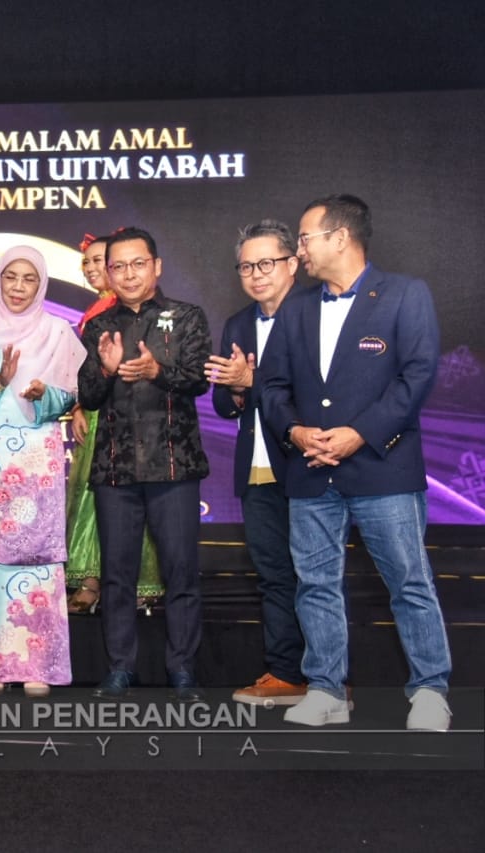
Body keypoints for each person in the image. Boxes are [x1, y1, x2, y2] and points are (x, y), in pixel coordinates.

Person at [261, 194, 452, 730]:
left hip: (383, 469)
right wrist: (295, 431)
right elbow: (271, 385)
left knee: (409, 582)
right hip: (310, 470)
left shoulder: (405, 294)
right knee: (315, 584)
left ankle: (430, 690)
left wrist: (360, 434)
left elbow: (417, 375)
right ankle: (325, 689)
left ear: (340, 237)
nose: (299, 249)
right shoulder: (296, 307)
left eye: (305, 238)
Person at [77, 227, 210, 702]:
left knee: (181, 572)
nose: (129, 274)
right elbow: (88, 395)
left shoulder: (187, 317)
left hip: (174, 466)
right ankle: (120, 668)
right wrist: (106, 369)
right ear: (108, 273)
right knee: (117, 576)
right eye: (118, 266)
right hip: (115, 471)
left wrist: (158, 371)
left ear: (156, 266)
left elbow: (198, 380)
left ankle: (182, 669)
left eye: (138, 264)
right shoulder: (97, 326)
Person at [0, 246, 84, 697]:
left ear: (42, 284)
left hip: (35, 461)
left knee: (36, 558)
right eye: (10, 276)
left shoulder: (58, 331)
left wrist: (42, 394)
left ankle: (37, 665)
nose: (18, 287)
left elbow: (71, 396)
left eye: (29, 278)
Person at [206, 219, 307, 706]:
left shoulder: (316, 314)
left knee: (315, 575)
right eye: (247, 267)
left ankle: (327, 674)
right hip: (258, 466)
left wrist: (253, 380)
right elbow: (223, 404)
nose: (256, 274)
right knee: (273, 575)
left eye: (266, 263)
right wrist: (237, 389)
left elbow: (319, 390)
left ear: (293, 264)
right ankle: (286, 672)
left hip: (309, 465)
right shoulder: (238, 324)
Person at [65, 232, 163, 615]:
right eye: (87, 262)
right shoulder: (97, 310)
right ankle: (94, 579)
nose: (92, 268)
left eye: (98, 261)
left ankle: (127, 583)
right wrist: (77, 407)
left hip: (124, 417)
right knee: (93, 499)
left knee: (126, 497)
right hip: (93, 410)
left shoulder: (129, 311)